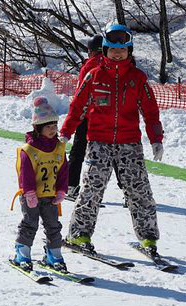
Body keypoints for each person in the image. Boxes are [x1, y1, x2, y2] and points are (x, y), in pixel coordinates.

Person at [59, 24, 164, 256]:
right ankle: (79, 235)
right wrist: (66, 132)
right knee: (91, 190)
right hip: (99, 142)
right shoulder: (93, 76)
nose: (118, 54)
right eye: (113, 50)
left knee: (139, 191)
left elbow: (150, 110)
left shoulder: (138, 78)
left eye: (123, 50)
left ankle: (148, 238)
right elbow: (77, 107)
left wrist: (156, 138)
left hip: (130, 144)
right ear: (105, 50)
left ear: (129, 51)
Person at [67, 35, 126, 207]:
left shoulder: (89, 66)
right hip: (109, 117)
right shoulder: (115, 65)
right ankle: (128, 192)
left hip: (88, 116)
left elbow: (81, 93)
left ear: (91, 50)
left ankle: (72, 187)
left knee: (79, 152)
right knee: (115, 154)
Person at [12, 96, 69, 272]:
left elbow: (63, 171)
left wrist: (61, 191)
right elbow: (26, 174)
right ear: (38, 128)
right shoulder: (29, 150)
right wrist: (29, 193)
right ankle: (22, 253)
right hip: (32, 196)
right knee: (30, 224)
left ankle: (54, 255)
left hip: (50, 196)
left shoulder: (59, 148)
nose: (53, 130)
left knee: (53, 226)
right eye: (49, 127)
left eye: (55, 126)